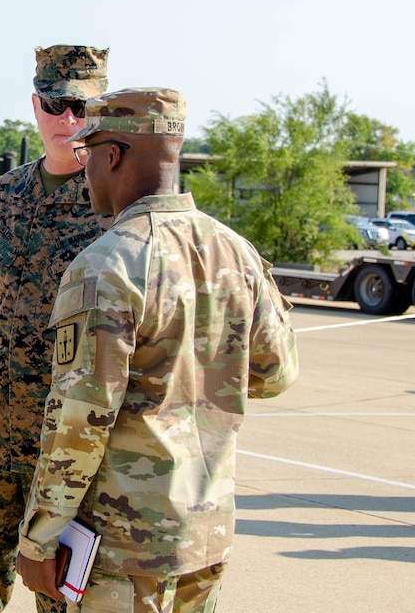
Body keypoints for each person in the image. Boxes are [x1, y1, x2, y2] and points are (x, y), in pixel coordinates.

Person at [16, 88, 299, 612]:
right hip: (205, 532)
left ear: (113, 155)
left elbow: (80, 420)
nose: (84, 170)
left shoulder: (107, 264)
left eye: (87, 154)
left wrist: (39, 537)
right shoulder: (235, 250)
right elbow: (275, 373)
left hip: (119, 549)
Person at [0, 45, 111, 613]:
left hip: (69, 450)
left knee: (62, 600)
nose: (68, 120)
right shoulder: (8, 194)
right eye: (55, 104)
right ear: (34, 105)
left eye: (82, 107)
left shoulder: (117, 203)